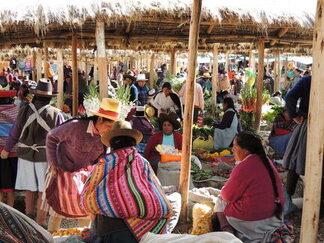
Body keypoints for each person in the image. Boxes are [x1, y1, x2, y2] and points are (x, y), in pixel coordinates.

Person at [81, 120, 172, 242]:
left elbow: (86, 198)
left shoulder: (104, 164)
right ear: (133, 142)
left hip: (106, 233)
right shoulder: (143, 162)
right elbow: (159, 197)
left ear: (112, 144)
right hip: (137, 236)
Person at [44, 98, 120, 232]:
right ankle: (50, 238)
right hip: (62, 172)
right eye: (108, 126)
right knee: (57, 211)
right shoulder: (75, 125)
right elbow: (51, 137)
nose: (109, 131)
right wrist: (53, 163)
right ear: (100, 119)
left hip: (85, 176)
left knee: (86, 211)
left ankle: (82, 238)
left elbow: (102, 158)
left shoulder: (105, 137)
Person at [1, 79, 64, 227]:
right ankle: (40, 223)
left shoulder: (24, 110)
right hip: (46, 156)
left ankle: (29, 221)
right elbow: (61, 138)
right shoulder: (56, 114)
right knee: (43, 189)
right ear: (50, 97)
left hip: (25, 156)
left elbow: (14, 132)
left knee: (30, 189)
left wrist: (7, 149)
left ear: (35, 95)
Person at [214, 132, 291, 242]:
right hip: (276, 216)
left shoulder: (244, 166)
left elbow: (227, 196)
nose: (232, 150)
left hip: (254, 220)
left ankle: (227, 232)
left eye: (235, 147)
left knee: (220, 200)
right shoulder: (266, 160)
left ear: (245, 150)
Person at [282, 75, 313, 214]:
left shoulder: (309, 80)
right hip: (308, 124)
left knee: (295, 160)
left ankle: (288, 199)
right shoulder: (308, 80)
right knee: (296, 159)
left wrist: (294, 115)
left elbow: (289, 97)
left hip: (309, 123)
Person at [0, 91, 19, 207]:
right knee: (11, 185)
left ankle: (1, 214)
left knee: (1, 186)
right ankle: (11, 210)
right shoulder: (17, 111)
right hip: (14, 151)